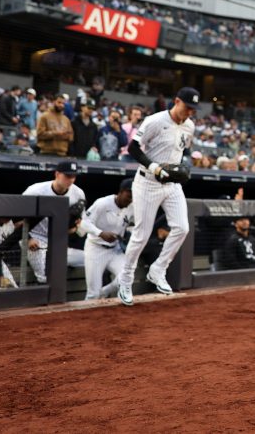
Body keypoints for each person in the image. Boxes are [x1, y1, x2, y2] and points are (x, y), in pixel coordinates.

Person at [117, 87, 199, 306]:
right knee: (141, 235)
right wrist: (153, 167)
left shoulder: (189, 126)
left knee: (182, 227)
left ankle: (158, 269)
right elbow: (132, 148)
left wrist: (182, 165)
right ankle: (125, 279)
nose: (190, 112)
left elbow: (183, 150)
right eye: (187, 106)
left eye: (193, 109)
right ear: (176, 101)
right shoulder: (155, 120)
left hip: (171, 183)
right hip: (147, 182)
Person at [21, 160, 87, 283]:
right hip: (36, 238)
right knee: (44, 277)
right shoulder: (35, 191)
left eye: (74, 176)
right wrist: (28, 238)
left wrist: (75, 228)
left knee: (91, 260)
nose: (71, 180)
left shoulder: (78, 193)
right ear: (57, 174)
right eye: (68, 176)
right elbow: (18, 218)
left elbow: (81, 221)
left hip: (57, 241)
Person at [81, 178, 133, 300]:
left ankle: (103, 293)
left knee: (126, 277)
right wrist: (101, 233)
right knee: (93, 293)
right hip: (95, 248)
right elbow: (84, 222)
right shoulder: (103, 203)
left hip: (115, 249)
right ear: (120, 192)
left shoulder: (132, 206)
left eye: (133, 197)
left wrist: (128, 234)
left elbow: (133, 225)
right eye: (128, 196)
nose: (130, 200)